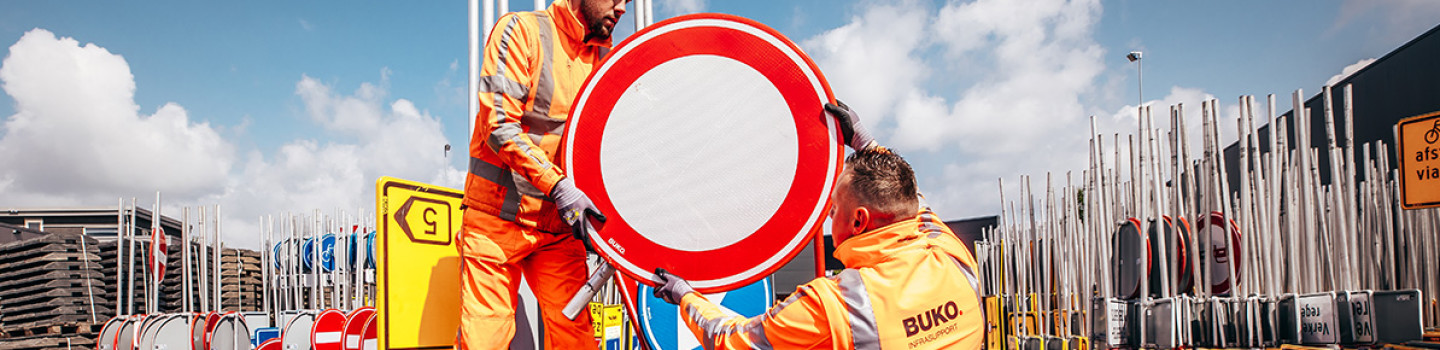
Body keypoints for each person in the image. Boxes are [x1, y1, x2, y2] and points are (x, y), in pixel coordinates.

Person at [651, 102, 985, 350]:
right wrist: (865, 144)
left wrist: (686, 296)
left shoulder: (835, 303)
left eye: (834, 208)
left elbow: (732, 339)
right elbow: (907, 198)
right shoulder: (949, 252)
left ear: (859, 220)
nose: (828, 216)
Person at [459, 0, 627, 349]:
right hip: (495, 220)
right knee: (484, 338)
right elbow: (499, 124)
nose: (622, 7)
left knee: (576, 342)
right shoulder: (520, 31)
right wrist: (559, 186)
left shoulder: (605, 63)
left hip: (557, 229)